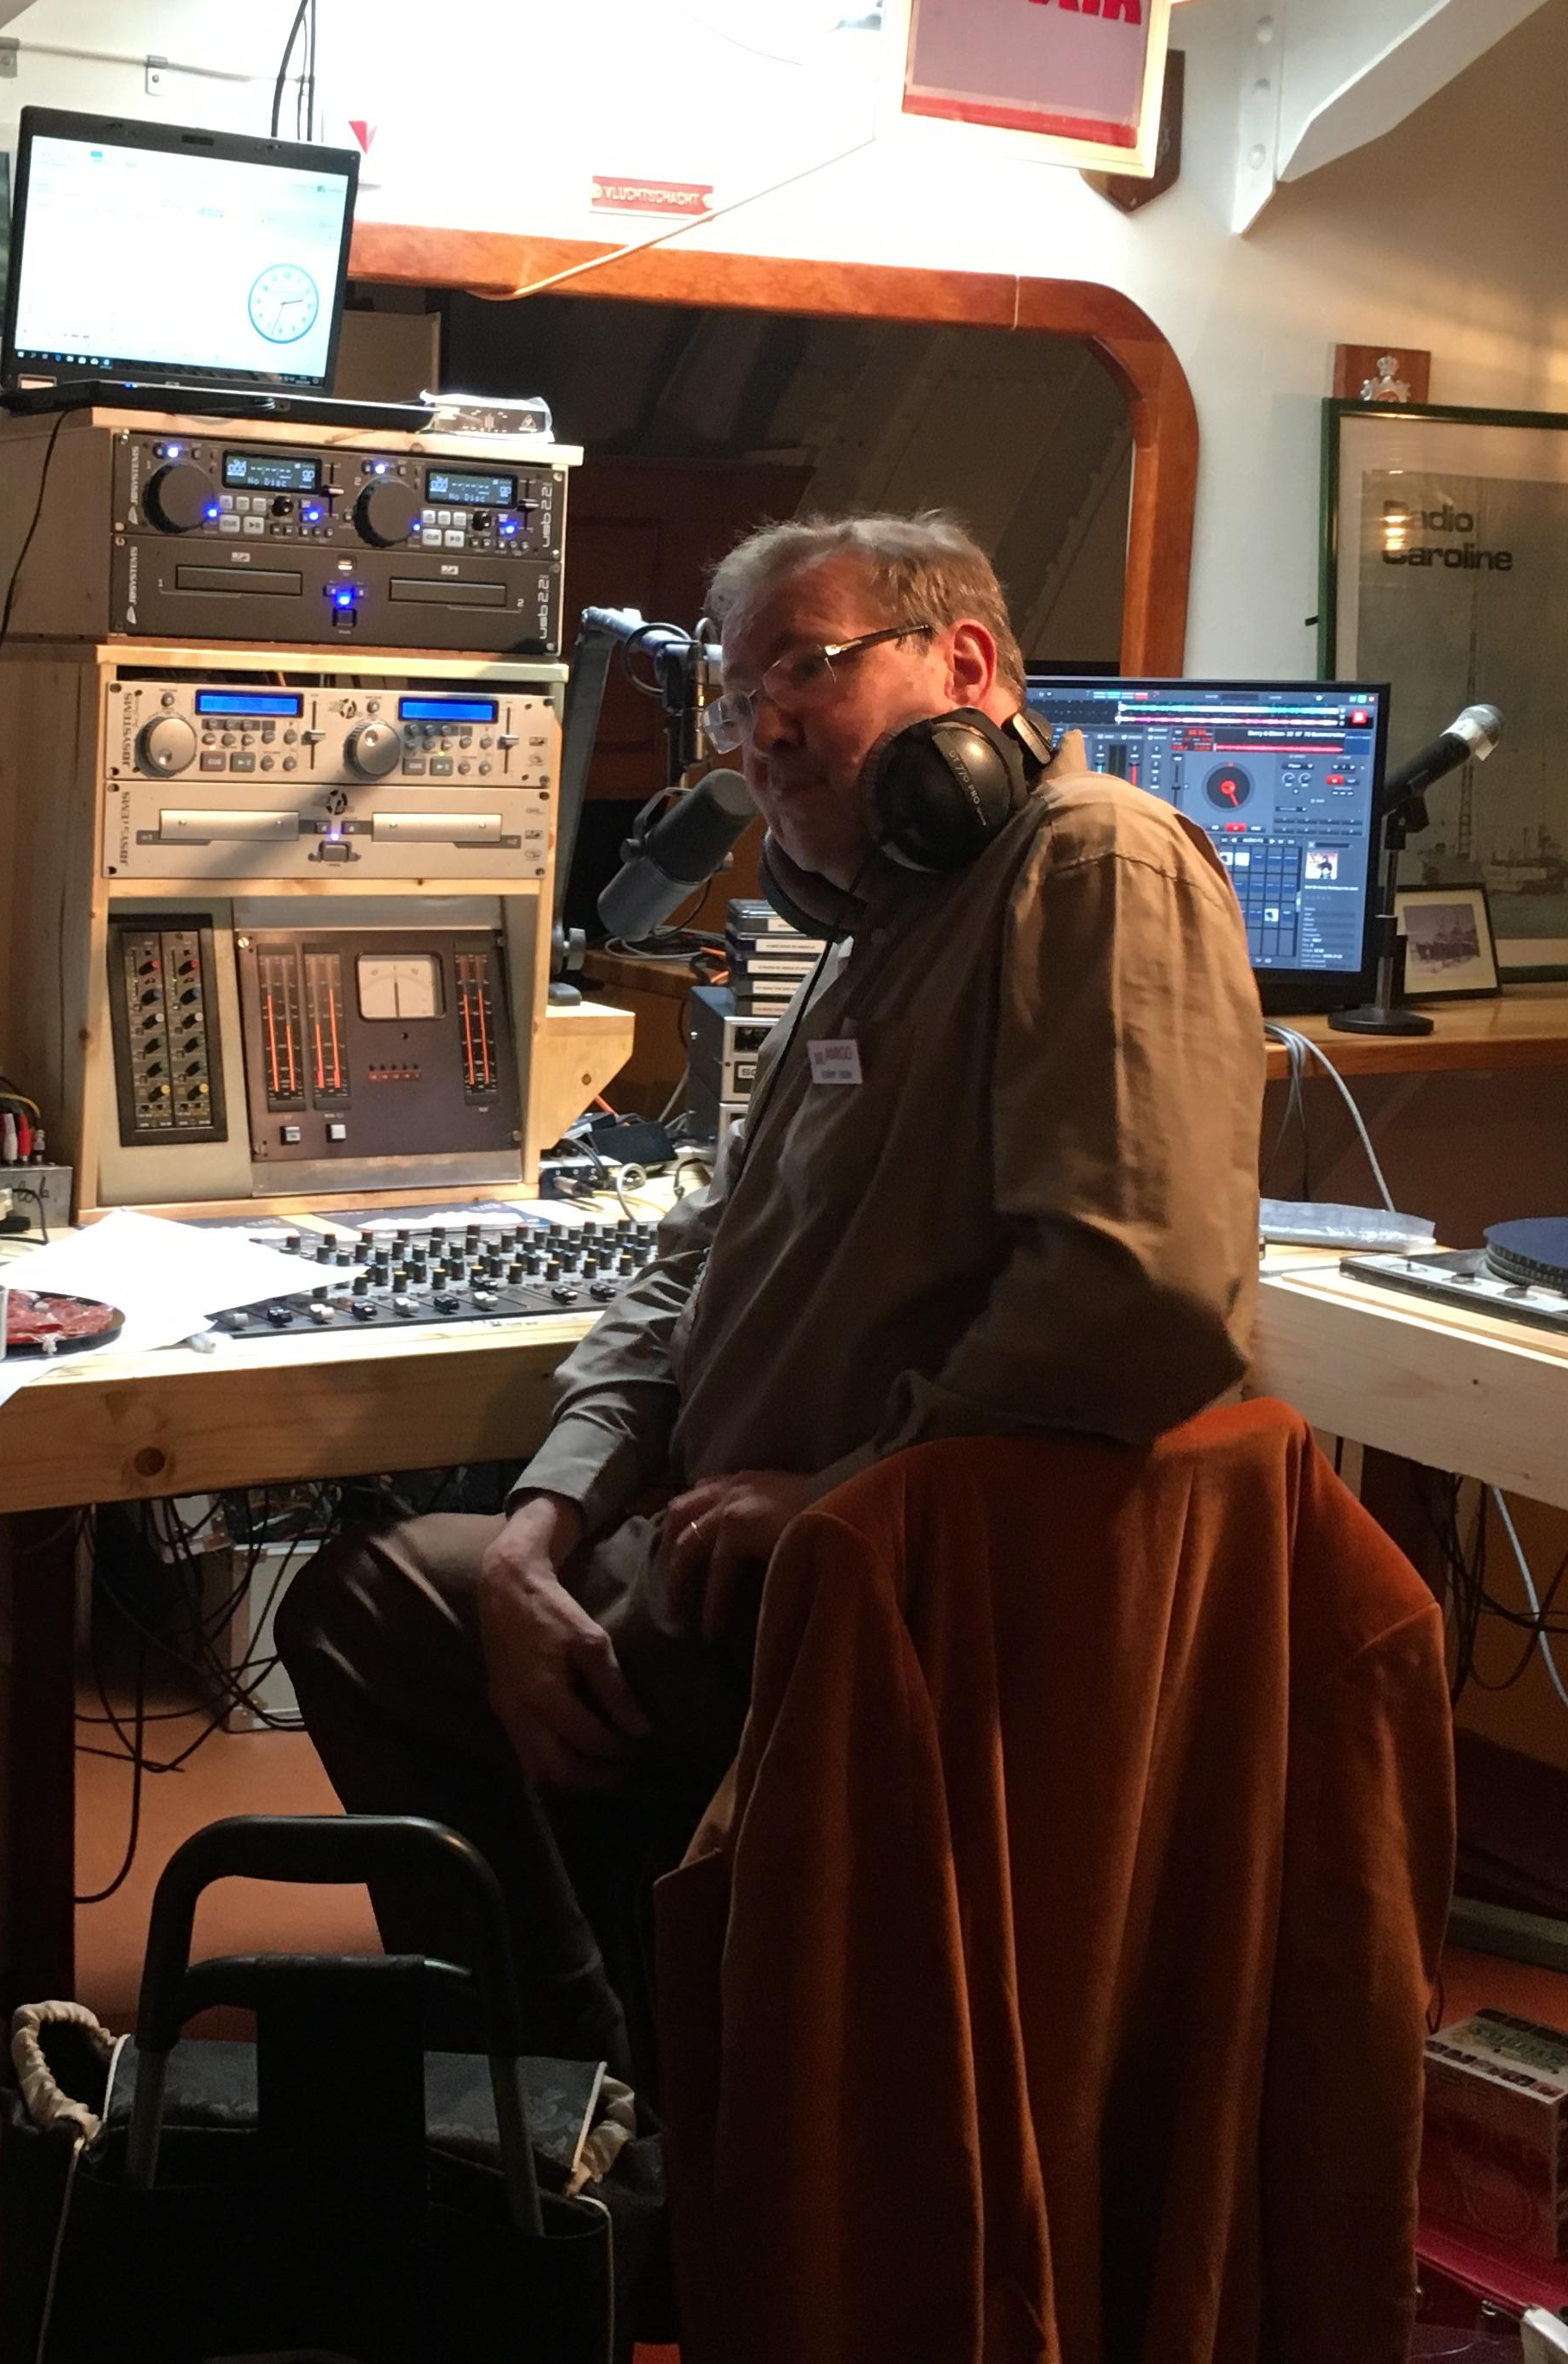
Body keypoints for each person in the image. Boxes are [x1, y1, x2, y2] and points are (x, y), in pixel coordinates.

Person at [279, 512, 1265, 2081]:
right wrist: (548, 1513)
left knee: (378, 1610)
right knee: (441, 1585)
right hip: (750, 1549)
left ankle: (590, 2093)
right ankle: (614, 2075)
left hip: (885, 1589)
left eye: (806, 670)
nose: (766, 730)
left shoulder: (1093, 862)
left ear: (967, 664)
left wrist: (843, 1498)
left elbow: (1138, 1292)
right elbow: (703, 1250)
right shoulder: (884, 921)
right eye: (742, 701)